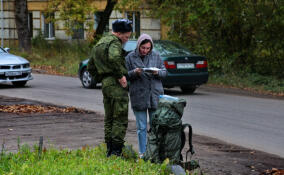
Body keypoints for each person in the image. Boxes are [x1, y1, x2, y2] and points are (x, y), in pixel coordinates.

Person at [88, 19, 132, 157]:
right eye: (126, 37)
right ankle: (116, 152)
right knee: (120, 118)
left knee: (109, 118)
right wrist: (120, 77)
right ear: (119, 33)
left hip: (106, 85)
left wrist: (101, 78)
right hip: (116, 85)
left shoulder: (100, 43)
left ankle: (109, 149)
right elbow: (114, 59)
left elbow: (90, 66)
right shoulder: (114, 42)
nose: (126, 40)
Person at [125, 34, 167, 158]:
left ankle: (154, 152)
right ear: (138, 45)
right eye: (143, 48)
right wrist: (134, 72)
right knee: (141, 127)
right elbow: (124, 75)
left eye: (148, 48)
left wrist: (157, 72)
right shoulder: (130, 57)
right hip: (139, 96)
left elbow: (164, 73)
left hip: (154, 95)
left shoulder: (156, 55)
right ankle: (143, 153)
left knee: (155, 127)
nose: (145, 50)